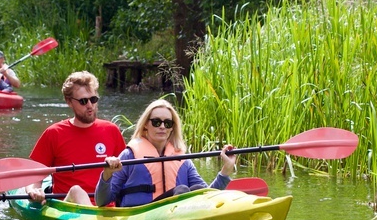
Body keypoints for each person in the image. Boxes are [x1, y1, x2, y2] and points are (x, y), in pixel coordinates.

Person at [95, 98, 237, 207]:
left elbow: (207, 197)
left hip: (175, 215)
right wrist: (107, 175)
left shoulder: (182, 159)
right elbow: (102, 201)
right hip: (140, 214)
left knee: (198, 189)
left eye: (167, 123)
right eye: (156, 122)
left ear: (172, 128)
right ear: (146, 124)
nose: (162, 127)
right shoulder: (129, 156)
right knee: (181, 190)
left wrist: (226, 171)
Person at [25, 71, 126, 205]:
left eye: (93, 99)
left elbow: (126, 174)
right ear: (69, 102)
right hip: (67, 207)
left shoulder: (111, 130)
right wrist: (34, 190)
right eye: (83, 101)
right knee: (77, 191)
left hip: (105, 207)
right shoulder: (54, 133)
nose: (90, 105)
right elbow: (33, 176)